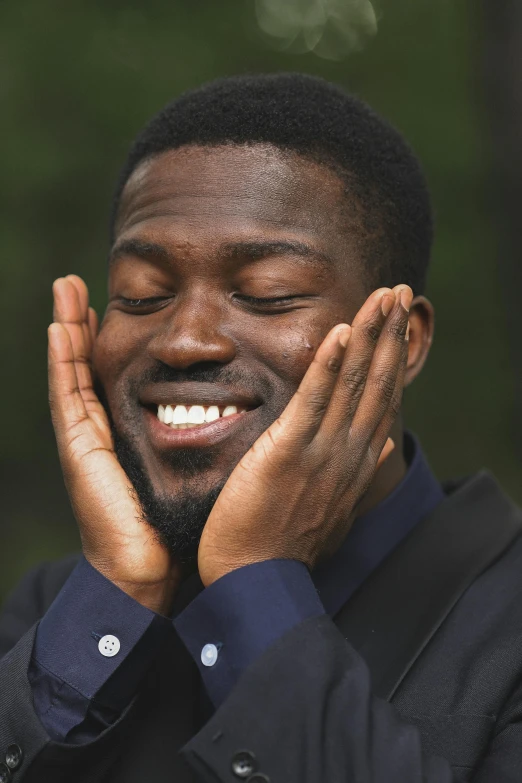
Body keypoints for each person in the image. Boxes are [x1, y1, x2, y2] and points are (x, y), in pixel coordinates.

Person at [0, 72, 521, 783]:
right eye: (141, 295)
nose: (184, 340)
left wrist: (255, 584)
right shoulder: (51, 614)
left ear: (403, 342)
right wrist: (112, 596)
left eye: (267, 293)